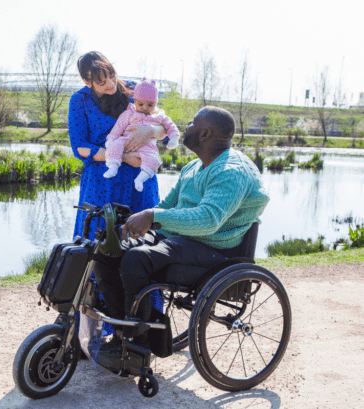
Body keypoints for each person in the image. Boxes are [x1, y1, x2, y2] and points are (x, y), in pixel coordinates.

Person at [94, 106, 270, 348]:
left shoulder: (230, 172)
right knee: (107, 248)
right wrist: (133, 223)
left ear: (205, 134)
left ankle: (138, 344)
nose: (187, 125)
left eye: (192, 123)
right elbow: (168, 206)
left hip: (214, 248)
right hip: (181, 240)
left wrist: (153, 214)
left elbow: (208, 220)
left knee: (137, 259)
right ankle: (123, 328)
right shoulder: (193, 167)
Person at [69, 51, 167, 239]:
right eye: (102, 82)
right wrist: (122, 157)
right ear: (87, 82)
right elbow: (80, 147)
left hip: (139, 180)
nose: (111, 84)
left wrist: (151, 131)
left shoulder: (134, 90)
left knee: (143, 241)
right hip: (102, 183)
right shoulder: (79, 100)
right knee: (101, 241)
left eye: (112, 75)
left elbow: (165, 127)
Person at [103, 78, 180, 192]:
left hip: (148, 146)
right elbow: (118, 128)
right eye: (141, 104)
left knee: (155, 159)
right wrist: (111, 139)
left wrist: (174, 138)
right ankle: (113, 165)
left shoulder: (159, 115)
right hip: (127, 140)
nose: (145, 107)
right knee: (115, 145)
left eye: (150, 105)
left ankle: (140, 179)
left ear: (156, 103)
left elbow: (171, 126)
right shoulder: (129, 113)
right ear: (134, 100)